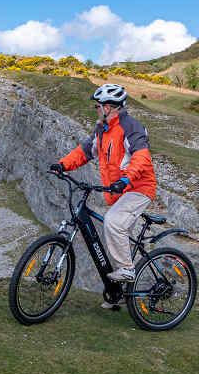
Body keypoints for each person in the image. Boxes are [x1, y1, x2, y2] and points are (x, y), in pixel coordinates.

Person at [50, 83, 157, 286]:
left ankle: (126, 269)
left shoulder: (131, 127)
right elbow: (84, 152)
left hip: (138, 188)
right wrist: (62, 165)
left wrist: (126, 179)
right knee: (112, 240)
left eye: (97, 106)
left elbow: (141, 158)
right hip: (118, 191)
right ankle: (117, 295)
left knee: (113, 222)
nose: (96, 110)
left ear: (108, 107)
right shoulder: (102, 131)